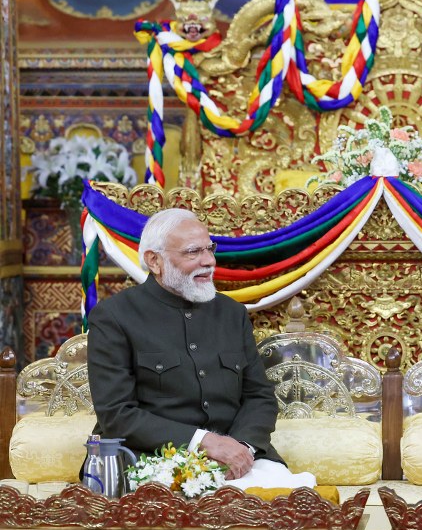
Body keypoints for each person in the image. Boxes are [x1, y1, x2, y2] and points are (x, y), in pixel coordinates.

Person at [87, 208, 315, 489]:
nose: (209, 261)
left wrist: (240, 448)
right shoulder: (114, 317)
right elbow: (116, 415)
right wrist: (204, 443)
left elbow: (259, 396)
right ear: (154, 261)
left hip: (242, 460)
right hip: (154, 460)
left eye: (210, 249)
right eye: (193, 252)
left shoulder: (232, 313)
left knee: (291, 505)